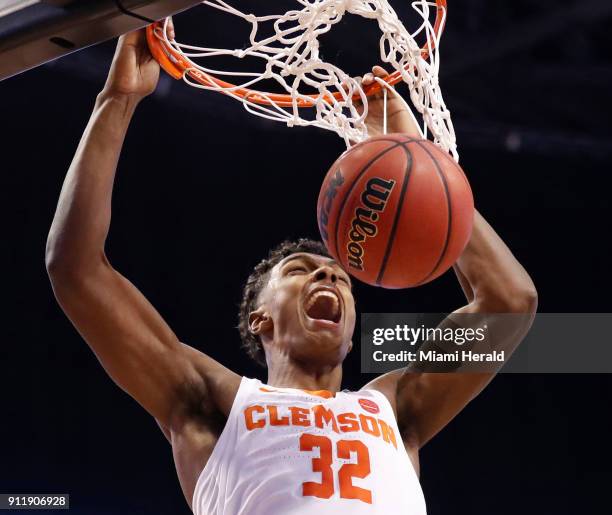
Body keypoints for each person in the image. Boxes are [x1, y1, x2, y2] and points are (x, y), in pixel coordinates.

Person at [45, 25, 537, 515]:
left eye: (341, 277)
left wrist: (419, 160)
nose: (329, 277)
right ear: (259, 319)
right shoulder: (213, 402)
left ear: (351, 336)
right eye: (302, 270)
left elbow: (509, 304)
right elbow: (76, 268)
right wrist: (117, 100)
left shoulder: (392, 406)